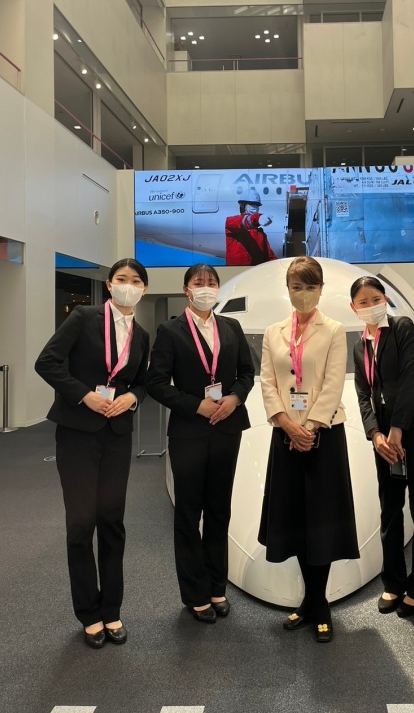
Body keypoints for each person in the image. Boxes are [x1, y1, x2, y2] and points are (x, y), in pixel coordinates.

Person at [35, 258, 150, 649]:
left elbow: (141, 382)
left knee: (112, 522)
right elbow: (46, 362)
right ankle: (89, 614)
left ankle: (112, 610)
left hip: (117, 435)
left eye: (135, 281)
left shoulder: (142, 335)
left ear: (144, 289)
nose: (128, 285)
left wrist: (132, 397)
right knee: (81, 524)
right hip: (77, 433)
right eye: (121, 279)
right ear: (109, 285)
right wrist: (84, 395)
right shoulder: (84, 318)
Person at [146, 264, 254, 624]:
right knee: (189, 512)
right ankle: (195, 594)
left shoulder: (231, 326)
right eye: (198, 282)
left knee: (219, 510)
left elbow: (246, 373)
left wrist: (234, 399)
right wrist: (196, 405)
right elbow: (156, 382)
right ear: (186, 289)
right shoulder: (170, 331)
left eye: (211, 282)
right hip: (189, 431)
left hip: (227, 427)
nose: (206, 288)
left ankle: (217, 587)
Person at [258, 256, 359, 642]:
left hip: (324, 435)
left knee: (322, 520)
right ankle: (311, 601)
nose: (303, 294)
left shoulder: (334, 330)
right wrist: (287, 424)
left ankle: (318, 603)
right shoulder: (273, 332)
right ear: (288, 290)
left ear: (320, 290)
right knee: (295, 519)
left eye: (310, 286)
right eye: (296, 287)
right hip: (285, 434)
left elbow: (334, 383)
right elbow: (268, 382)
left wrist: (310, 427)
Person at [351, 277, 414, 618]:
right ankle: (393, 583)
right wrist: (375, 433)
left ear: (385, 299)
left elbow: (411, 378)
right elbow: (363, 394)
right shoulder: (359, 345)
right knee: (389, 509)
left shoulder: (402, 327)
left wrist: (397, 429)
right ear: (353, 308)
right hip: (385, 439)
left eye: (375, 299)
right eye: (363, 302)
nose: (370, 306)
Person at [225, 187, 277, 266]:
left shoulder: (260, 234)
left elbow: (270, 257)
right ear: (243, 206)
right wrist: (257, 218)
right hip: (236, 272)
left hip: (255, 272)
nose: (255, 208)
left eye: (257, 206)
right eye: (252, 205)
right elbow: (245, 221)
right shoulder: (231, 223)